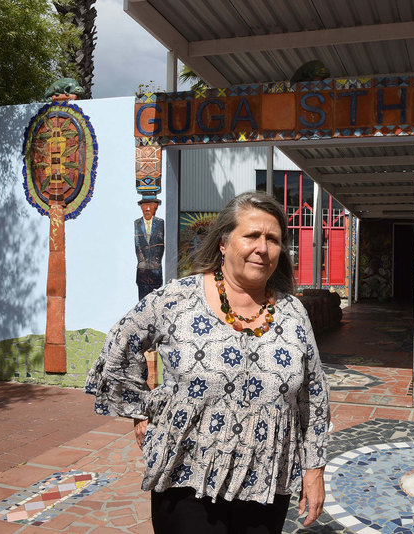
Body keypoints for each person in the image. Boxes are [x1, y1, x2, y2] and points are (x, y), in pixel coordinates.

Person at [85, 191, 330, 534]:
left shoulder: (293, 312)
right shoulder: (177, 299)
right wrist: (140, 409)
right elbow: (120, 343)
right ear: (224, 244)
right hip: (187, 475)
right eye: (252, 236)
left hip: (266, 479)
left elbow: (313, 394)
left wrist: (314, 469)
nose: (263, 247)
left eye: (273, 239)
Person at [135, 197, 165, 300]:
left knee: (155, 295)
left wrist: (155, 261)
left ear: (155, 207)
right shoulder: (137, 223)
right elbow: (137, 244)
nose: (147, 209)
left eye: (151, 206)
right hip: (142, 268)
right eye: (144, 206)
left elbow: (160, 244)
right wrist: (142, 260)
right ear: (141, 207)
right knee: (142, 295)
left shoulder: (160, 223)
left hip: (155, 266)